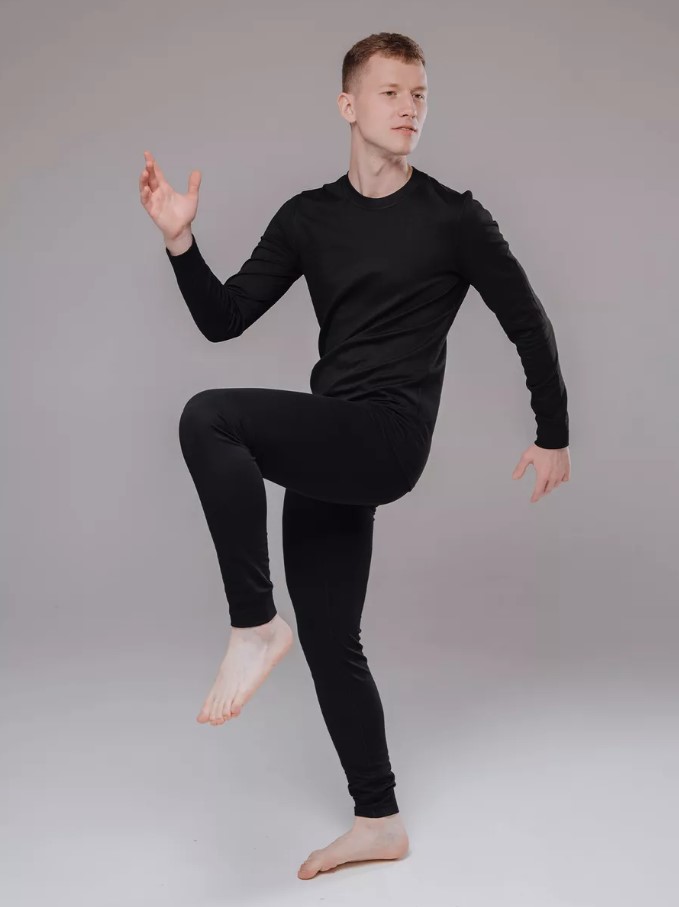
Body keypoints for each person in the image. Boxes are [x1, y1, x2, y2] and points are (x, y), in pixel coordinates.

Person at [138, 32, 571, 880]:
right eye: (390, 92)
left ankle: (253, 622)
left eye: (419, 94)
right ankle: (378, 818)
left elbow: (528, 320)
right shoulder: (308, 218)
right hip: (332, 436)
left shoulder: (452, 218)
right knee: (333, 636)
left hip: (388, 436)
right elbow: (224, 319)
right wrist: (181, 244)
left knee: (208, 417)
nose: (409, 108)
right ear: (348, 105)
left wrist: (551, 430)